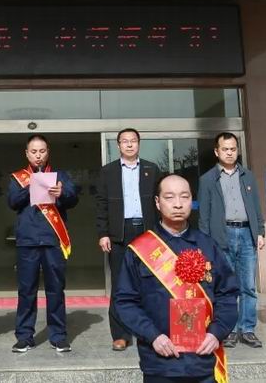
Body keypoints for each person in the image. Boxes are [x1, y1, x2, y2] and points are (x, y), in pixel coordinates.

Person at [114, 174, 239, 383]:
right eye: (170, 197)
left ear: (192, 201)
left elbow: (227, 294)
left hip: (203, 360)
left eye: (185, 196)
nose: (178, 204)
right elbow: (125, 302)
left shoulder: (208, 246)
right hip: (160, 362)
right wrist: (153, 336)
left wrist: (216, 333)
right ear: (157, 202)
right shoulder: (139, 250)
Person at [9, 134, 78, 353]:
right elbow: (12, 202)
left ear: (48, 152)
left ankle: (58, 336)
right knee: (26, 291)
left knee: (55, 290)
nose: (38, 155)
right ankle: (24, 336)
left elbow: (74, 198)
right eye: (34, 151)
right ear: (27, 153)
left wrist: (62, 193)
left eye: (42, 151)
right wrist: (29, 187)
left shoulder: (60, 176)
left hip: (52, 241)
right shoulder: (18, 178)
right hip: (27, 241)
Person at [95, 127, 161, 351]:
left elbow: (160, 203)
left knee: (149, 283)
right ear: (118, 145)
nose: (130, 144)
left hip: (147, 233)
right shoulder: (108, 171)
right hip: (119, 234)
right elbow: (101, 204)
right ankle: (120, 335)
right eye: (125, 141)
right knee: (120, 285)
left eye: (133, 141)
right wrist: (103, 233)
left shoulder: (151, 169)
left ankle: (149, 332)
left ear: (139, 144)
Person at [198, 132, 265, 348]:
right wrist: (205, 243)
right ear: (217, 151)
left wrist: (260, 232)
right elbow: (204, 215)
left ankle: (248, 329)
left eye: (233, 149)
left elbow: (256, 207)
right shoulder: (207, 179)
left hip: (246, 234)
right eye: (225, 149)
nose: (229, 153)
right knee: (226, 287)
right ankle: (229, 329)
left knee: (248, 286)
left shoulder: (247, 176)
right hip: (221, 235)